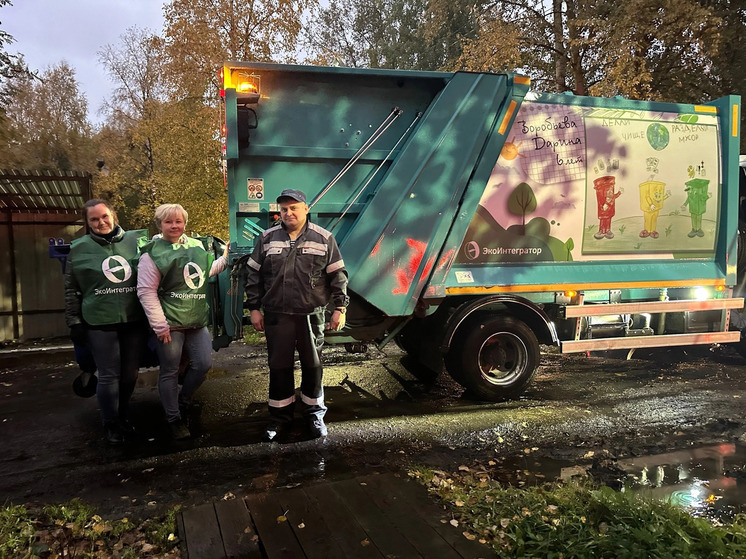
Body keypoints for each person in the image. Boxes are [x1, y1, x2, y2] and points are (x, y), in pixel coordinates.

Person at [245, 189, 348, 441]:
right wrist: (254, 308)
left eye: (293, 207)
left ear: (306, 208)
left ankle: (314, 415)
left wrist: (340, 307)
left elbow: (337, 275)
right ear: (279, 212)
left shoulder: (324, 238)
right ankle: (280, 418)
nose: (288, 212)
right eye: (284, 209)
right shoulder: (267, 238)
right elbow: (253, 276)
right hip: (276, 315)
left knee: (313, 366)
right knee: (279, 366)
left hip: (310, 315)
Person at [136, 204, 229, 440]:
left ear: (184, 223)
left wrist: (226, 257)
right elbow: (146, 291)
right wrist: (159, 325)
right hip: (170, 322)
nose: (175, 226)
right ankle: (173, 419)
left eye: (178, 221)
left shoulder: (195, 247)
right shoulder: (152, 253)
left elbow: (204, 272)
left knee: (203, 364)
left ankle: (183, 401)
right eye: (169, 222)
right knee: (169, 370)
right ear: (160, 224)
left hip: (195, 320)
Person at [64, 199, 149, 445]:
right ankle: (110, 423)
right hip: (99, 320)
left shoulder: (137, 242)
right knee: (109, 375)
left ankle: (123, 416)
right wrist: (74, 322)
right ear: (87, 222)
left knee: (130, 375)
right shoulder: (78, 248)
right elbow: (71, 289)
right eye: (94, 219)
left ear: (113, 215)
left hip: (133, 320)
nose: (100, 222)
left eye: (104, 216)